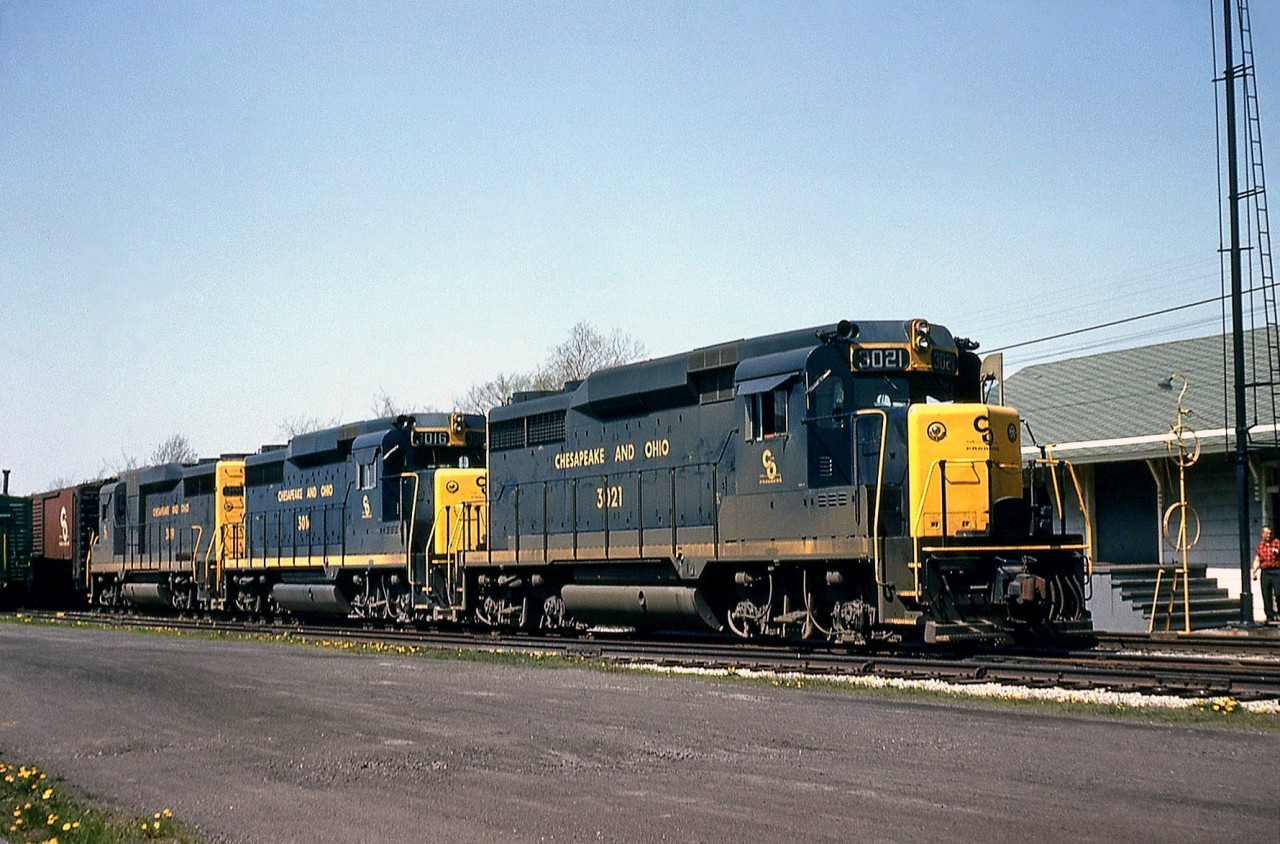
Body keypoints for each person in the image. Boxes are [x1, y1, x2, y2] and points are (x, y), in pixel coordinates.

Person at [1253, 526, 1280, 624]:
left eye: (1270, 533)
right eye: (1266, 533)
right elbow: (1257, 560)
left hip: (1276, 571)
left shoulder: (1277, 543)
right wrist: (1254, 572)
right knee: (1266, 594)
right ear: (1262, 534)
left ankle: (1279, 613)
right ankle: (1269, 615)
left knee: (1278, 593)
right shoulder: (1260, 546)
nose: (1268, 535)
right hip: (1265, 572)